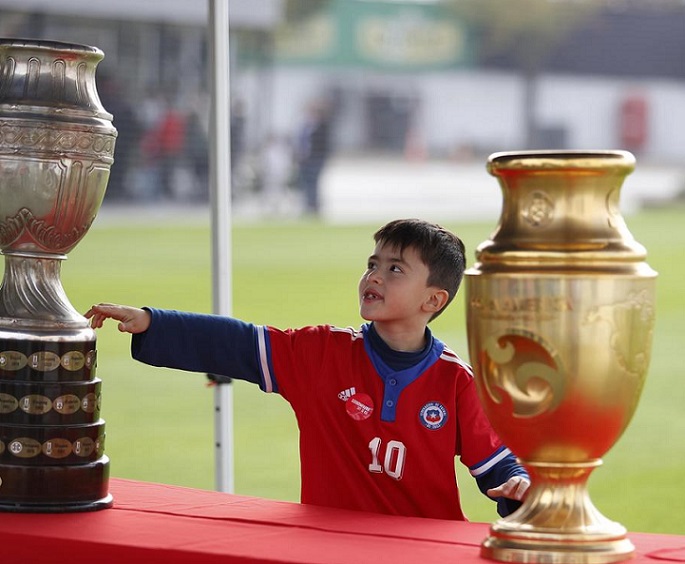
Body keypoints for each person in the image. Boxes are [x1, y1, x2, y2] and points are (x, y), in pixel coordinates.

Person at [85, 218, 529, 521]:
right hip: (327, 545)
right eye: (372, 263)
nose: (374, 276)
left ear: (433, 300)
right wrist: (153, 322)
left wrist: (519, 488)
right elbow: (237, 343)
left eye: (395, 269)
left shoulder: (455, 381)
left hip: (421, 551)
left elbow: (496, 466)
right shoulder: (320, 353)